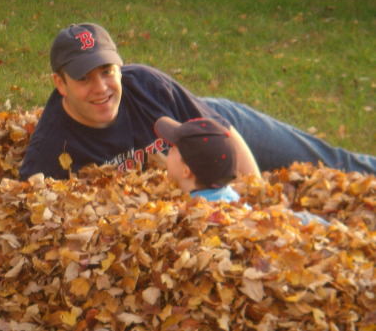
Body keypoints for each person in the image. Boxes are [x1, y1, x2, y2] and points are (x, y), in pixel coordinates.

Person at [19, 23, 375, 181]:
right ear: (60, 84)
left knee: (330, 164)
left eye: (107, 71)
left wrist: (257, 206)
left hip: (213, 124)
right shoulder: (49, 155)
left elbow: (223, 134)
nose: (101, 88)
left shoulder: (143, 83)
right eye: (84, 77)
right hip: (190, 169)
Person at [154, 116, 331, 226]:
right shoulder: (225, 192)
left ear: (186, 171)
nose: (166, 151)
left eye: (171, 149)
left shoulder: (196, 213)